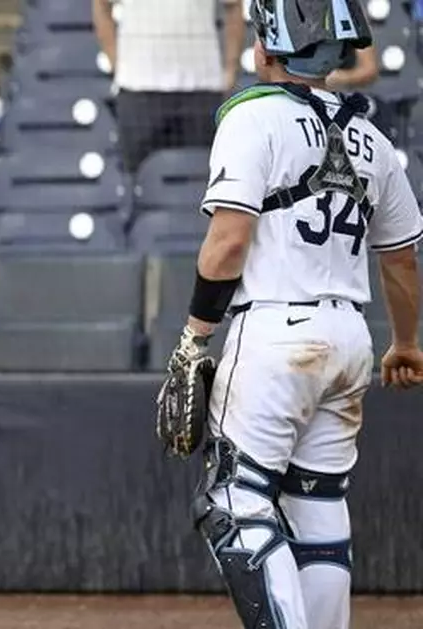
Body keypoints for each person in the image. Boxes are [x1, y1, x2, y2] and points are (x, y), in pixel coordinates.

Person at [157, 1, 423, 628]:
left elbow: (227, 242)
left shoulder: (253, 120)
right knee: (318, 505)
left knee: (236, 502)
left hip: (275, 331)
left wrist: (195, 335)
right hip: (350, 335)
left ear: (266, 47)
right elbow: (403, 260)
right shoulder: (372, 136)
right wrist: (406, 343)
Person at [92, 0, 246, 173]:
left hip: (201, 91)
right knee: (136, 184)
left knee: (203, 185)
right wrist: (117, 65)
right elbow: (101, 6)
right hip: (137, 92)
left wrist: (232, 68)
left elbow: (233, 7)